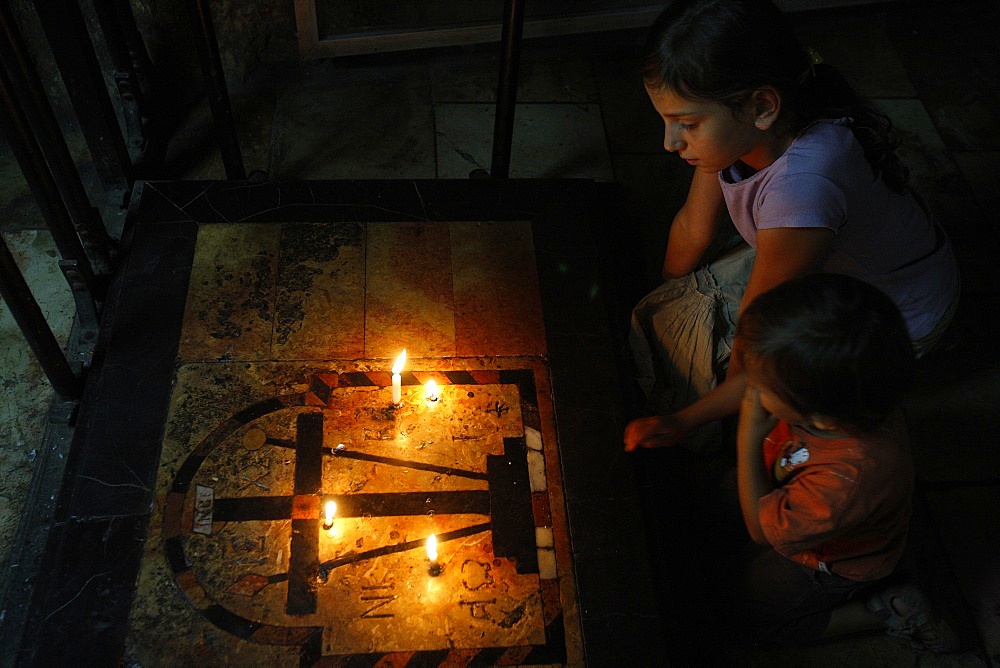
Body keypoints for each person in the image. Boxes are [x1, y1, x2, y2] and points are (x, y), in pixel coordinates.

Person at [623, 0, 960, 454]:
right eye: (666, 121)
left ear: (762, 105)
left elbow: (755, 330)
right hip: (827, 259)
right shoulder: (736, 135)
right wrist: (660, 293)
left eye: (686, 123)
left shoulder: (803, 190)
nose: (670, 142)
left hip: (894, 318)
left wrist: (682, 421)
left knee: (718, 376)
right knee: (672, 313)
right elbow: (693, 228)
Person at [719, 273, 956, 650]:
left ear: (821, 418)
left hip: (829, 563)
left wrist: (747, 438)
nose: (752, 392)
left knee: (737, 616)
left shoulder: (851, 475)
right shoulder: (852, 387)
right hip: (799, 499)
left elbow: (761, 533)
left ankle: (887, 608)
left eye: (763, 388)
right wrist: (682, 421)